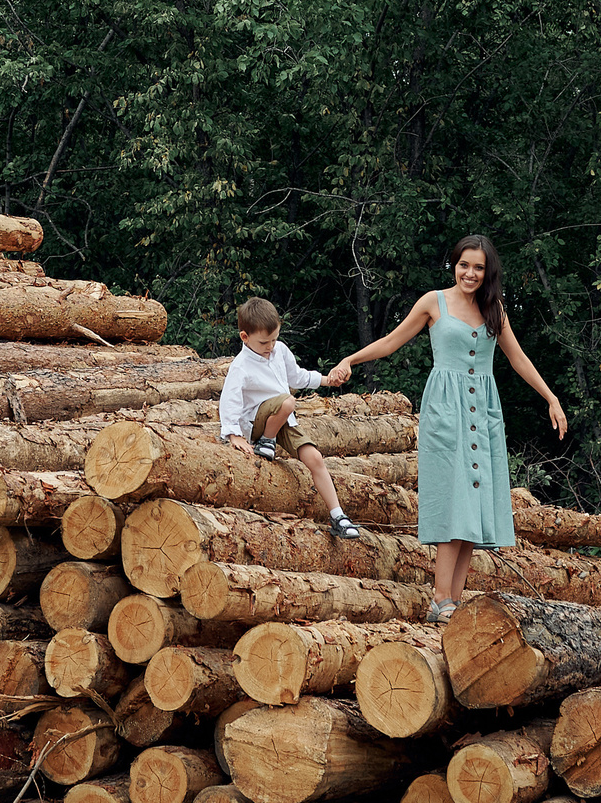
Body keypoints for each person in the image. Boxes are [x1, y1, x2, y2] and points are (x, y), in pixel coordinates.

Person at [327, 235, 567, 621]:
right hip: (445, 410)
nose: (470, 273)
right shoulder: (433, 302)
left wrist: (551, 398)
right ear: (454, 265)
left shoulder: (494, 309)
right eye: (463, 265)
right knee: (453, 502)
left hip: (483, 413)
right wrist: (350, 360)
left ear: (488, 272)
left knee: (474, 504)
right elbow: (391, 341)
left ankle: (450, 600)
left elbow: (518, 358)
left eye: (478, 267)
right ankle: (440, 597)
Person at [219, 297, 364, 540]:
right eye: (264, 342)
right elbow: (229, 399)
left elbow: (297, 377)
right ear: (245, 337)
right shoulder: (240, 366)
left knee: (315, 457)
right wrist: (234, 434)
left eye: (274, 339)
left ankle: (338, 515)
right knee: (288, 401)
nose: (270, 346)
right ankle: (267, 441)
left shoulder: (280, 351)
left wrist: (327, 380)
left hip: (284, 419)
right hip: (257, 423)